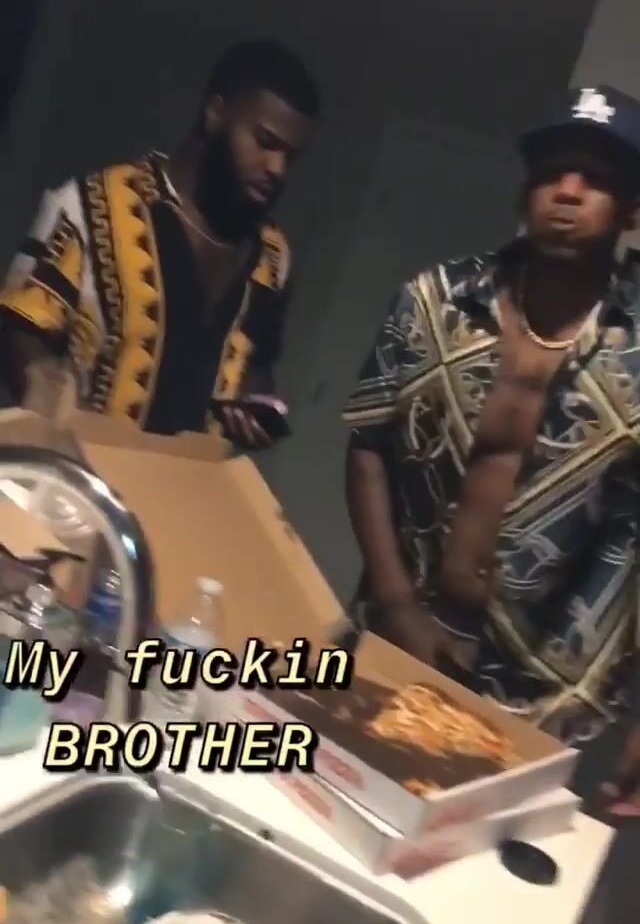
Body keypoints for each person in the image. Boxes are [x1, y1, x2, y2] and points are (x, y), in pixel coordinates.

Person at [343, 85, 640, 811]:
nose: (567, 192)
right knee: (333, 816)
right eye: (552, 171)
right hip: (396, 634)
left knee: (470, 872)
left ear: (633, 210)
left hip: (544, 697)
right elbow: (369, 445)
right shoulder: (433, 302)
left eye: (595, 178)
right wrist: (395, 602)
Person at [0, 39, 320, 445]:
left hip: (189, 478)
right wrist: (50, 396)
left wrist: (254, 405)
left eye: (291, 157)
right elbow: (18, 331)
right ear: (215, 113)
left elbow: (258, 362)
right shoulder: (89, 207)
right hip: (77, 470)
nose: (276, 168)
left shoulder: (272, 257)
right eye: (265, 142)